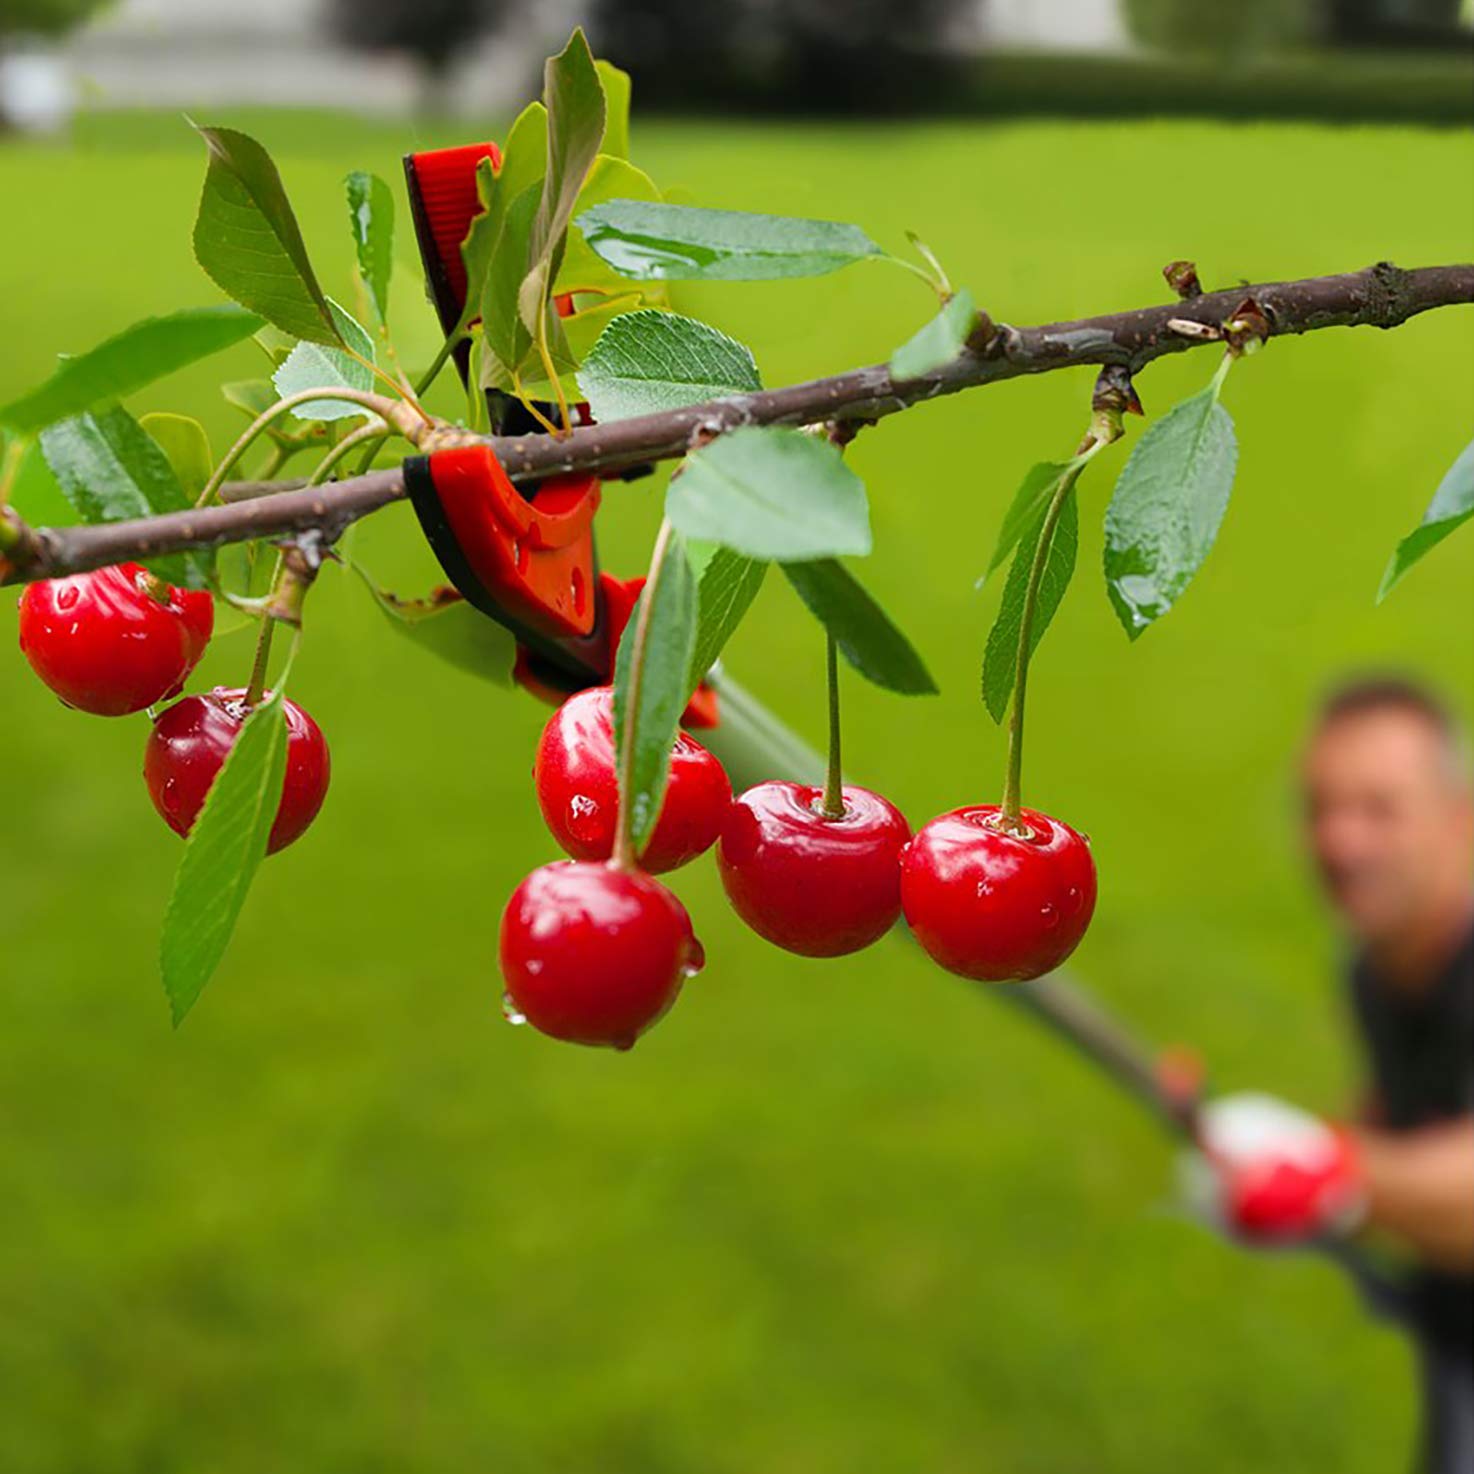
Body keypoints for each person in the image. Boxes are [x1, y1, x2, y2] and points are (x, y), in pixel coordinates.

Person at [1188, 676, 1473, 1474]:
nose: (1340, 843)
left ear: (1462, 822)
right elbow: (1411, 1118)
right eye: (1322, 808)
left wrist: (1327, 1167)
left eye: (1380, 809)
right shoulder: (1377, 967)